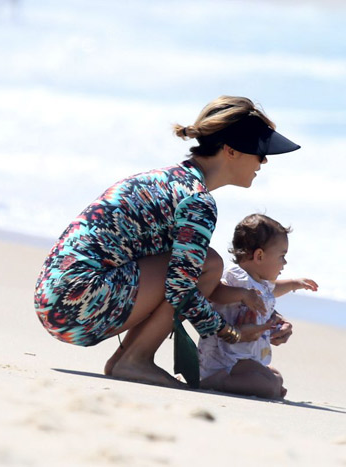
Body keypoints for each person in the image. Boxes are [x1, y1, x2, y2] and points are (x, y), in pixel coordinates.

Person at [33, 96, 300, 388]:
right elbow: (180, 288)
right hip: (79, 306)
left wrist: (263, 317)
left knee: (194, 266)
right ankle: (135, 360)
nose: (264, 160)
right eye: (260, 151)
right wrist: (229, 333)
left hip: (55, 301)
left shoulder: (167, 179)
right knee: (208, 264)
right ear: (231, 151)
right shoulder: (197, 200)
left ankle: (129, 358)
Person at [198, 214, 318, 399]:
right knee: (270, 386)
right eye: (282, 256)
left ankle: (264, 384)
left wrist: (294, 283)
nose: (284, 263)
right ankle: (213, 381)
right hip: (223, 360)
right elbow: (215, 292)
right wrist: (242, 295)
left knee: (275, 376)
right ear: (259, 255)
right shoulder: (237, 277)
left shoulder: (260, 282)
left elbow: (272, 291)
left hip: (243, 357)